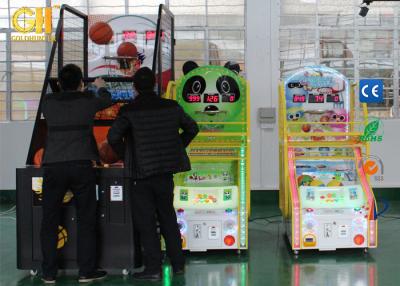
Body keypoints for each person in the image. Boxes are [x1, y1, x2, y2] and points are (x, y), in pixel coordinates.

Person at [107, 67, 199, 281]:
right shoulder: (172, 107)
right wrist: (177, 147)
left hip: (141, 175)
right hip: (165, 173)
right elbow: (192, 128)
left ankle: (153, 269)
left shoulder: (129, 111)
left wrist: (127, 156)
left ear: (135, 87)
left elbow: (113, 137)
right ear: (155, 85)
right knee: (167, 216)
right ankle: (178, 264)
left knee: (147, 222)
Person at [40, 64, 112, 284]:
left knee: (49, 220)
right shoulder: (87, 99)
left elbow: (54, 99)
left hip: (53, 165)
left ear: (60, 83)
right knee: (86, 219)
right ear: (81, 82)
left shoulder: (48, 102)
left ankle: (48, 273)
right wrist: (100, 86)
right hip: (81, 166)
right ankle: (86, 271)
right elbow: (107, 100)